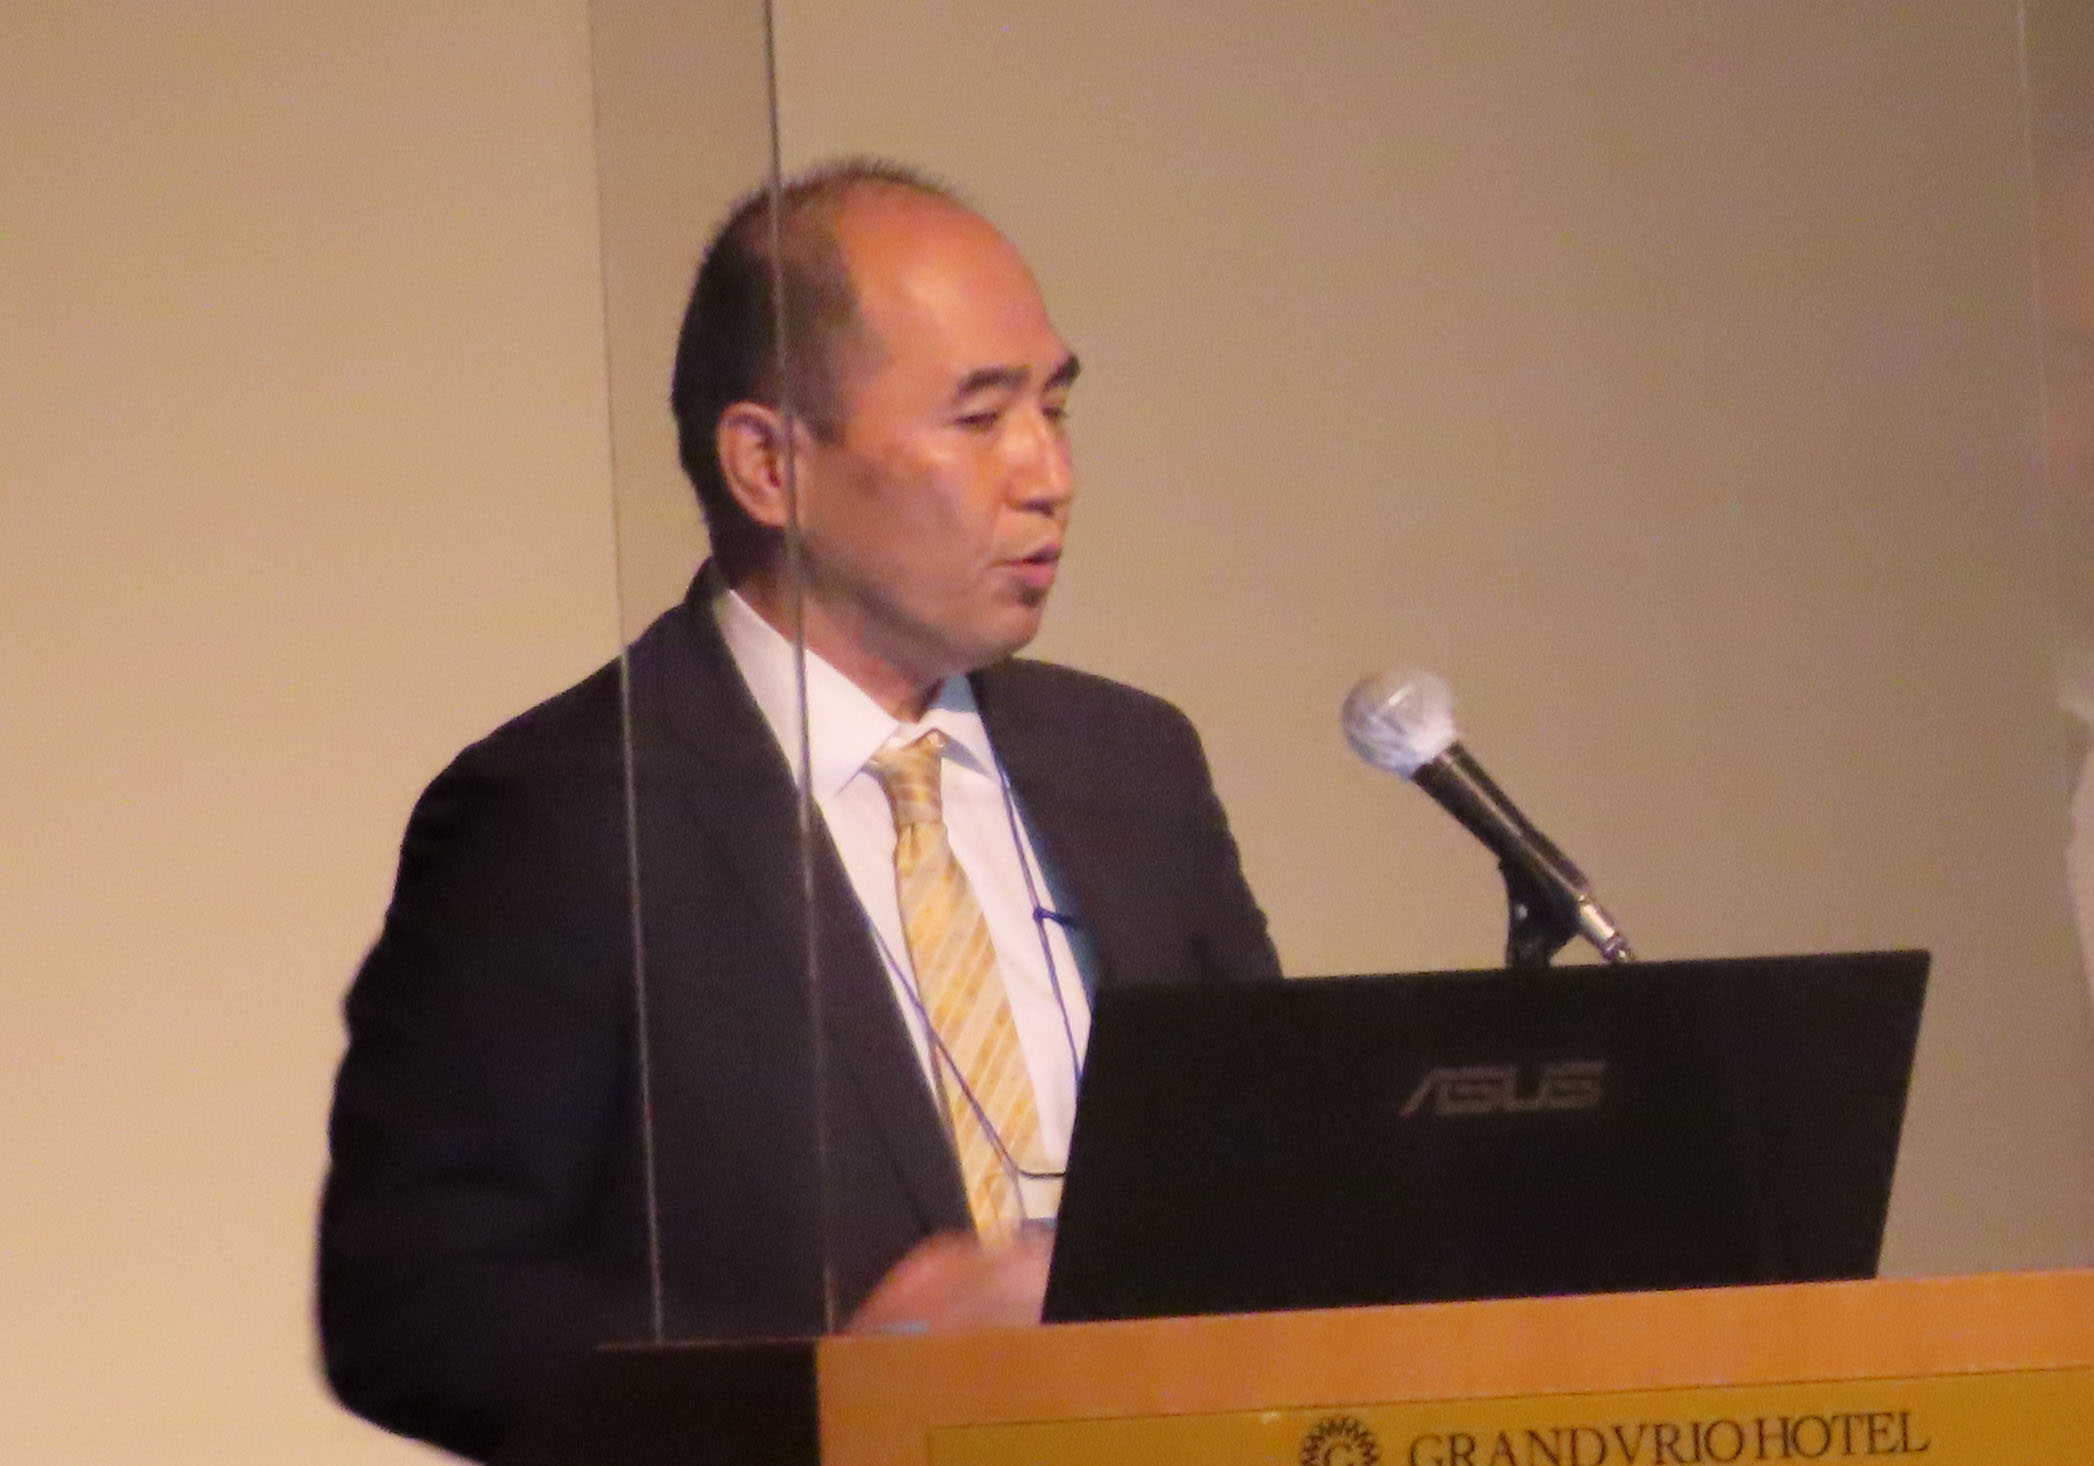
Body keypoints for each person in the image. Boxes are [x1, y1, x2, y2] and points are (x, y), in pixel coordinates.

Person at [318, 160, 1281, 1462]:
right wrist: (836, 1378)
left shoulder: (1133, 766)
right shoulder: (567, 814)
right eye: (979, 418)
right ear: (769, 464)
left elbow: (1274, 1185)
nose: (1047, 472)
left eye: (1054, 408)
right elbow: (416, 1302)